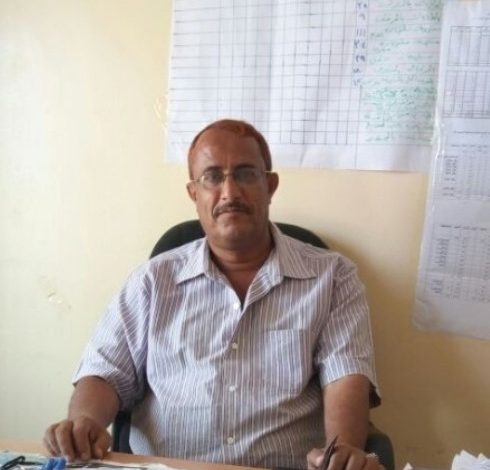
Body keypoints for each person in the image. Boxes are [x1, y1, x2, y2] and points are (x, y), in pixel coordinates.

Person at [44, 119, 382, 470]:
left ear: (270, 186)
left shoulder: (333, 277)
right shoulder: (152, 282)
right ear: (194, 193)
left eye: (245, 174)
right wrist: (85, 422)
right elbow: (105, 371)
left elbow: (346, 377)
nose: (230, 192)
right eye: (212, 177)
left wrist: (342, 453)